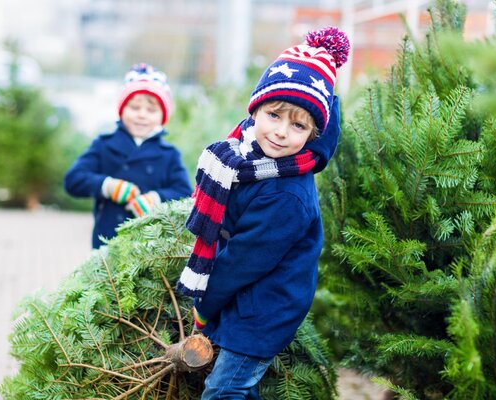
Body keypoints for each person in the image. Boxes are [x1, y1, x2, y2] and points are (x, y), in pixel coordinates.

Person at [176, 27, 350, 399]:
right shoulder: (244, 156)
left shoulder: (287, 195)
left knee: (225, 389)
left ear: (313, 134)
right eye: (274, 115)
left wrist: (204, 308)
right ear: (255, 109)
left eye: (299, 125)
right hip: (247, 299)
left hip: (264, 311)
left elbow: (243, 259)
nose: (282, 132)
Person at [64, 63, 193, 249]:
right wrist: (108, 186)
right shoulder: (104, 145)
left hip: (152, 248)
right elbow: (73, 180)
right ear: (122, 110)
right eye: (134, 107)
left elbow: (184, 193)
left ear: (162, 116)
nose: (141, 115)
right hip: (108, 244)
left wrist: (156, 199)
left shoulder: (169, 154)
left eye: (151, 110)